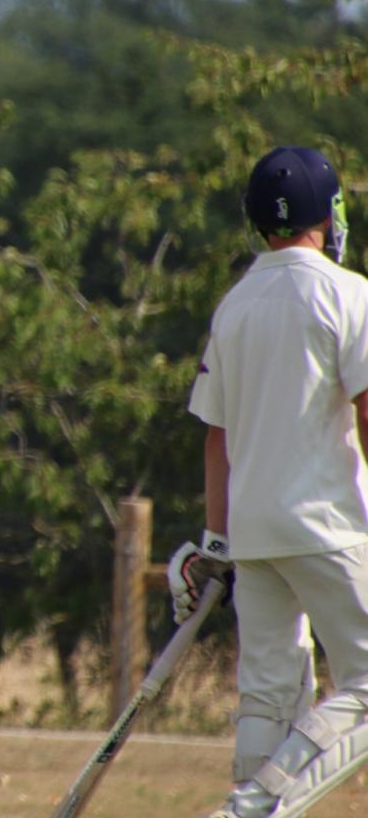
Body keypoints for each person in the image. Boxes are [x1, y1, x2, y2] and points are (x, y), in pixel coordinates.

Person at [172, 145, 368, 818]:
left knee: (270, 695)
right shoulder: (349, 294)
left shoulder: (235, 305)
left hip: (252, 532)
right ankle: (250, 809)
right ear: (330, 214)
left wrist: (215, 541)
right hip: (328, 525)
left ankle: (249, 803)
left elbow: (217, 437)